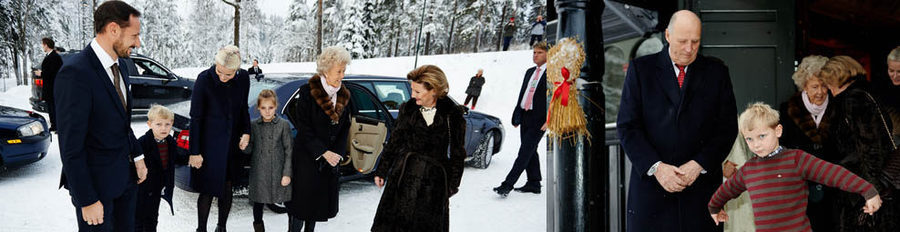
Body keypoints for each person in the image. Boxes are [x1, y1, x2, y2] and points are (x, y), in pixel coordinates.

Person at [616, 10, 737, 232]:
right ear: (668, 36)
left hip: (701, 194)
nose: (689, 49)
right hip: (652, 193)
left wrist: (699, 164)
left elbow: (726, 128)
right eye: (682, 41)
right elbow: (628, 127)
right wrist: (658, 168)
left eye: (695, 41)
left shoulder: (717, 72)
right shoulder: (641, 70)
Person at [708, 103, 883, 231]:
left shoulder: (796, 159)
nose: (756, 144)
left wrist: (868, 191)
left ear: (778, 131)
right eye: (749, 139)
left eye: (762, 136)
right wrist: (714, 207)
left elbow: (833, 173)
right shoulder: (748, 170)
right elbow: (726, 191)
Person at [54, 1, 147, 231]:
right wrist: (87, 199)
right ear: (113, 29)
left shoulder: (122, 66)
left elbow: (121, 123)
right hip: (96, 193)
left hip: (125, 183)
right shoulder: (75, 73)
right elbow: (70, 146)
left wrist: (137, 156)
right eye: (134, 35)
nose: (138, 42)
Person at [371, 65, 467, 232]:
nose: (412, 95)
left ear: (434, 90)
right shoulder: (408, 109)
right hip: (403, 176)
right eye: (412, 90)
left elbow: (458, 153)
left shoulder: (452, 114)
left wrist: (451, 185)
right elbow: (395, 141)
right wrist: (382, 170)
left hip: (434, 183)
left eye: (417, 91)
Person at [819, 56, 899, 231]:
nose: (826, 87)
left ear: (837, 77)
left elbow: (870, 147)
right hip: (858, 185)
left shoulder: (854, 100)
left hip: (859, 188)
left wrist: (871, 191)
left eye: (827, 81)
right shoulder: (864, 94)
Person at [284, 46, 352, 232]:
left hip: (327, 163)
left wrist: (335, 153)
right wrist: (322, 151)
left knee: (316, 207)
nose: (342, 75)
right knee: (300, 207)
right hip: (307, 159)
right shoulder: (307, 92)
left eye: (344, 71)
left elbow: (345, 127)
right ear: (325, 70)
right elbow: (303, 127)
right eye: (339, 71)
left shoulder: (344, 95)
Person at [187, 45, 251, 232]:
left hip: (232, 143)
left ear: (237, 70)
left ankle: (221, 227)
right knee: (207, 189)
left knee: (227, 187)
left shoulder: (243, 78)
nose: (223, 77)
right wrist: (195, 152)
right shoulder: (204, 80)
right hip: (209, 145)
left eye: (228, 75)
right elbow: (196, 118)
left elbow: (243, 109)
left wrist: (246, 131)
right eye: (220, 72)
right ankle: (201, 229)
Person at [777, 55, 839, 231]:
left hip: (832, 186)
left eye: (824, 85)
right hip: (800, 187)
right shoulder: (788, 109)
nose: (820, 92)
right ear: (804, 85)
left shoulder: (839, 108)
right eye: (814, 86)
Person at [493, 42, 549, 196]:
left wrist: (550, 119)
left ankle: (507, 185)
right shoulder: (530, 71)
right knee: (531, 149)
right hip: (525, 115)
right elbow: (523, 94)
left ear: (548, 55)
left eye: (539, 53)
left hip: (540, 119)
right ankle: (534, 183)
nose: (535, 55)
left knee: (524, 152)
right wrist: (517, 113)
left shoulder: (553, 74)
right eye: (534, 52)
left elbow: (555, 99)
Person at [241, 89, 293, 232]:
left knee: (289, 204)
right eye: (263, 108)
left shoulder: (283, 125)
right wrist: (243, 146)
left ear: (276, 106)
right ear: (258, 108)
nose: (267, 111)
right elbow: (250, 149)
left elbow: (289, 151)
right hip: (260, 173)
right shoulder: (254, 125)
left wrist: (287, 174)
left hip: (279, 172)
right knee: (258, 205)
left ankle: (292, 229)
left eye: (270, 108)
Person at [135, 104, 188, 232]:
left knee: (152, 218)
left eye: (167, 124)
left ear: (172, 124)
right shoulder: (142, 143)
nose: (163, 128)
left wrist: (191, 156)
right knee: (138, 219)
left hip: (157, 188)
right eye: (158, 124)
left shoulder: (170, 142)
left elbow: (176, 158)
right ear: (149, 124)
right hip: (142, 189)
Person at [37, 37, 62, 132]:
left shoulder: (54, 57)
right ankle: (54, 125)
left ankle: (57, 126)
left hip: (53, 87)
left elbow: (54, 72)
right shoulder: (49, 56)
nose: (42, 46)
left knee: (54, 107)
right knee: (51, 108)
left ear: (46, 45)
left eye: (43, 45)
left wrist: (41, 73)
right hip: (49, 87)